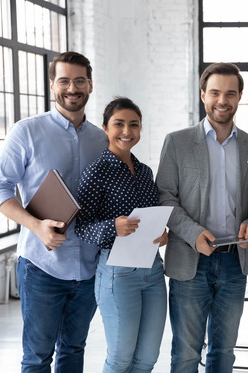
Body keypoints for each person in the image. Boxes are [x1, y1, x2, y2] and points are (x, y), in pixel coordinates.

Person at [0, 52, 108, 372]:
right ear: (52, 85)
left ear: (90, 85)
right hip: (41, 266)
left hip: (88, 268)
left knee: (74, 350)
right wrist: (34, 224)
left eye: (80, 81)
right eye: (64, 81)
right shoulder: (26, 132)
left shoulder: (102, 140)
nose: (72, 88)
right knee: (37, 356)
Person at [156, 62, 248, 373]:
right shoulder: (177, 142)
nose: (223, 100)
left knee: (224, 353)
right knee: (186, 354)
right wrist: (193, 233)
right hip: (191, 262)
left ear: (239, 97)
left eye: (230, 93)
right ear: (203, 95)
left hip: (235, 262)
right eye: (216, 92)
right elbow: (164, 196)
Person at [74, 97, 168, 372]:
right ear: (105, 127)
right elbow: (81, 227)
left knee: (148, 358)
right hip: (117, 273)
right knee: (120, 359)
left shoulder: (144, 172)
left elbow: (152, 217)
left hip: (153, 271)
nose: (127, 131)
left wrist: (163, 234)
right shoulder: (96, 172)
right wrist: (111, 227)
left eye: (134, 125)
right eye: (119, 124)